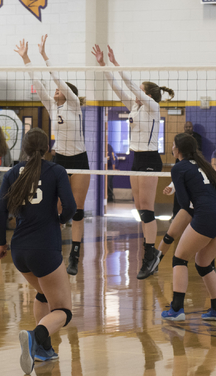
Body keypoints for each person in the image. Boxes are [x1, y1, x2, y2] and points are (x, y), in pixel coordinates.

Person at [0, 128, 76, 373]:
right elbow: (71, 206)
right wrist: (61, 219)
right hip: (45, 248)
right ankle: (35, 336)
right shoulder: (56, 171)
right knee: (64, 310)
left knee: (43, 294)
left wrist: (1, 243)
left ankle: (43, 349)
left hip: (20, 250)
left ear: (25, 149)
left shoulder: (11, 173)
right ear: (48, 149)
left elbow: (0, 212)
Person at [92, 44, 174, 279]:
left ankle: (150, 257)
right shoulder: (136, 108)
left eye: (140, 91)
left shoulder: (152, 107)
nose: (135, 93)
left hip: (150, 159)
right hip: (136, 159)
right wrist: (102, 66)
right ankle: (150, 255)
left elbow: (128, 85)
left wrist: (117, 64)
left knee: (147, 211)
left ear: (147, 95)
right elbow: (117, 88)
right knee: (141, 211)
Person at [16, 35, 90, 277]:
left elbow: (56, 78)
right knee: (55, 207)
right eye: (56, 90)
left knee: (77, 210)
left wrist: (45, 56)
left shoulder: (74, 106)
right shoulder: (52, 106)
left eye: (61, 89)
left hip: (79, 159)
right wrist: (27, 58)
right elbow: (38, 84)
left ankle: (75, 255)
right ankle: (55, 249)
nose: (56, 90)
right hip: (59, 160)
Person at [161, 133, 216, 322]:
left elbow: (185, 204)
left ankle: (176, 309)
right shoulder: (204, 165)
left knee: (180, 258)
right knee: (203, 262)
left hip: (207, 217)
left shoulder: (178, 168)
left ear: (178, 150)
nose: (171, 148)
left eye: (173, 145)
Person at [172, 122, 203, 217]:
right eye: (186, 127)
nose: (188, 128)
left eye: (173, 145)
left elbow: (184, 202)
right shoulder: (201, 166)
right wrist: (172, 187)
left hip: (200, 212)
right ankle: (175, 215)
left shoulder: (179, 168)